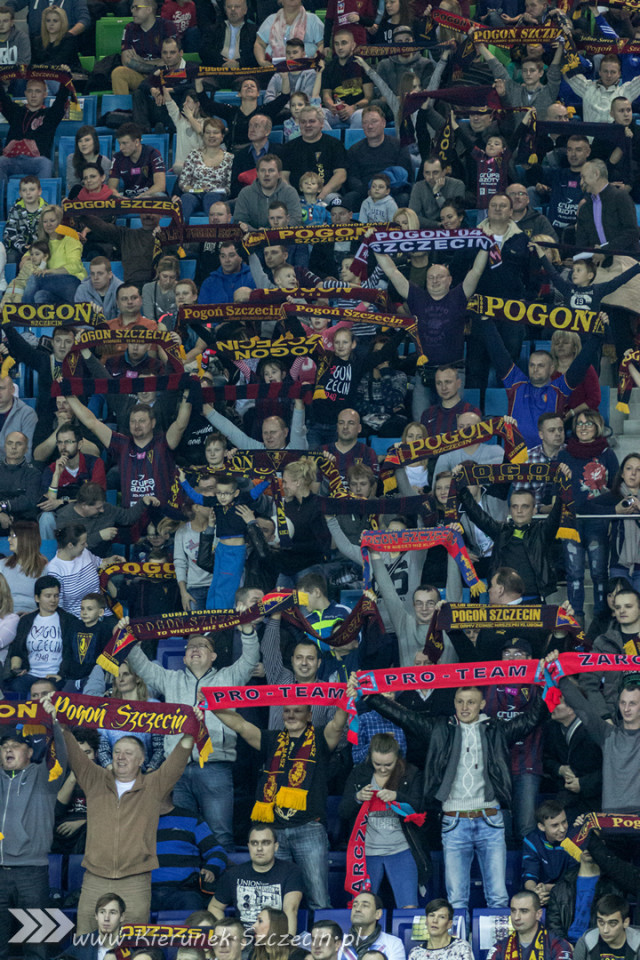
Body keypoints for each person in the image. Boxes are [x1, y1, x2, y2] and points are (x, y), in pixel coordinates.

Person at [362, 683, 546, 920]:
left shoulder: (496, 730)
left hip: (490, 819)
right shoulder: (440, 728)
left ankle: (500, 952)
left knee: (498, 896)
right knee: (457, 898)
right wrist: (368, 694)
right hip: (454, 822)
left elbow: (532, 720)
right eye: (460, 701)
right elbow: (403, 716)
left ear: (482, 705)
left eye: (471, 702)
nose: (464, 706)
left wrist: (547, 684)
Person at [51, 695, 197, 933]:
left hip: (136, 881)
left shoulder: (153, 785)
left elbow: (177, 761)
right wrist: (62, 725)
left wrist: (191, 731)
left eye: (129, 753)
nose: (121, 756)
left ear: (141, 760)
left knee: (133, 945)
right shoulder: (95, 778)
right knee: (86, 942)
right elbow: (76, 756)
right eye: (117, 751)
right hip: (95, 879)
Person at [126, 614, 260, 850]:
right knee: (183, 835)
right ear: (185, 657)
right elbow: (142, 666)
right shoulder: (170, 679)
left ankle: (219, 885)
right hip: (176, 769)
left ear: (214, 656)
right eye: (190, 646)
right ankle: (189, 885)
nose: (195, 649)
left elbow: (250, 659)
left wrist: (247, 630)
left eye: (202, 646)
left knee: (221, 837)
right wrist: (128, 638)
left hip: (215, 767)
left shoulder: (228, 677)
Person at [211, 696, 349, 910]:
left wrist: (346, 697)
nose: (291, 715)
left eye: (297, 711)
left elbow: (339, 722)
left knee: (319, 901)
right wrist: (212, 704)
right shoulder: (272, 739)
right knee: (274, 903)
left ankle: (321, 943)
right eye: (287, 711)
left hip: (309, 829)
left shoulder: (321, 737)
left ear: (309, 715)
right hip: (274, 833)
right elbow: (240, 724)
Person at [372, 244, 488, 417]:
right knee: (420, 425)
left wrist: (486, 245)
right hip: (424, 373)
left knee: (451, 425)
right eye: (431, 277)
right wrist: (376, 245)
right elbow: (392, 272)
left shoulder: (458, 296)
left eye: (440, 277)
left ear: (450, 280)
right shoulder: (417, 297)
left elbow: (476, 271)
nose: (435, 280)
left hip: (454, 372)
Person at [476, 319, 602, 449]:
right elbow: (498, 353)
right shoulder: (516, 383)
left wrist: (598, 333)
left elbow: (582, 362)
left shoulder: (559, 388)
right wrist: (486, 322)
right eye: (532, 365)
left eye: (541, 365)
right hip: (516, 458)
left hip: (548, 459)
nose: (535, 369)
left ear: (552, 368)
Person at [0, 718, 67, 960]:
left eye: (15, 745)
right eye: (4, 745)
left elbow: (62, 756)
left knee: (36, 945)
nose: (8, 749)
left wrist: (56, 723)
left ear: (29, 752)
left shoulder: (44, 778)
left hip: (32, 872)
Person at [545, 649, 640, 815]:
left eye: (632, 703)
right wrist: (558, 673)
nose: (626, 708)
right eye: (623, 703)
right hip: (611, 816)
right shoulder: (607, 734)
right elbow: (582, 706)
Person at [339, 732, 427, 908]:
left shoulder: (410, 773)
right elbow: (342, 811)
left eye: (389, 764)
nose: (383, 769)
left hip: (401, 849)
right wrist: (357, 797)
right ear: (369, 756)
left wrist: (397, 796)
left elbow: (421, 808)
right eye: (377, 763)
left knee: (409, 907)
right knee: (362, 908)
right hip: (366, 853)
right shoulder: (360, 773)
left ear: (397, 757)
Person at [455, 474, 570, 602]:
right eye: (515, 506)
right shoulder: (500, 531)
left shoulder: (542, 532)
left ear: (534, 510)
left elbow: (558, 511)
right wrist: (460, 483)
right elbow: (476, 514)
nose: (519, 510)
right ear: (510, 510)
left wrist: (564, 481)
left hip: (533, 602)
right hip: (503, 602)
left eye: (525, 506)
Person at [64, 393, 192, 508]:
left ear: (153, 423)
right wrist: (68, 394)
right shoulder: (122, 444)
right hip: (131, 518)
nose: (137, 425)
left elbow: (180, 424)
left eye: (142, 421)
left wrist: (187, 392)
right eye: (133, 421)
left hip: (161, 515)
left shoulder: (163, 442)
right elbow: (92, 422)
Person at [558, 410, 618, 620]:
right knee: (574, 574)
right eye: (579, 424)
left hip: (598, 522)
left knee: (599, 573)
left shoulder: (607, 454)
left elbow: (616, 489)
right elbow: (555, 487)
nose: (583, 427)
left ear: (597, 427)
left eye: (588, 423)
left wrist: (612, 518)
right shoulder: (564, 453)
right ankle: (577, 623)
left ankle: (600, 621)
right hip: (570, 521)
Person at [208, 823, 303, 933]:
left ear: (275, 846)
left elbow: (290, 909)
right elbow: (215, 906)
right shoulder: (234, 874)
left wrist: (287, 942)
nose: (259, 848)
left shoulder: (291, 871)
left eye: (265, 843)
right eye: (254, 843)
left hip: (275, 940)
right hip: (243, 944)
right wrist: (228, 935)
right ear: (249, 846)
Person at [7, 573, 80, 695]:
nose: (53, 600)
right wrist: (16, 670)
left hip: (56, 675)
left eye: (56, 596)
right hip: (31, 674)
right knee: (15, 687)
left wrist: (62, 674)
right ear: (37, 598)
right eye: (48, 596)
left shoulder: (69, 621)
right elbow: (17, 651)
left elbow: (73, 653)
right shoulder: (26, 621)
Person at [343, 105, 413, 211]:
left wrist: (384, 190)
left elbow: (404, 173)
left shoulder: (398, 146)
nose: (369, 126)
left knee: (404, 198)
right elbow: (353, 178)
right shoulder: (354, 150)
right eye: (365, 122)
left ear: (383, 123)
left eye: (374, 121)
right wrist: (369, 190)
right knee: (349, 199)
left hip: (392, 191)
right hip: (366, 192)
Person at [542, 694, 603, 817]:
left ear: (571, 708)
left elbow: (611, 768)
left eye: (556, 702)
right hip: (565, 797)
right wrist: (559, 769)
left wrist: (583, 784)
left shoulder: (595, 730)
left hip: (596, 800)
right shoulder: (551, 727)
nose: (550, 705)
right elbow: (545, 759)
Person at [0, 74, 69, 182]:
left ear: (45, 94)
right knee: (0, 162)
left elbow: (61, 100)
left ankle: (42, 198)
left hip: (36, 161)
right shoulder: (15, 111)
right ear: (25, 93)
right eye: (30, 91)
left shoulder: (50, 115)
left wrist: (65, 77)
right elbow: (2, 98)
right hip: (11, 160)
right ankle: (2, 198)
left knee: (46, 164)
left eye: (38, 91)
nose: (33, 95)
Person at [587, 454, 640, 591]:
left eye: (638, 470)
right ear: (622, 473)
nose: (633, 473)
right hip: (619, 564)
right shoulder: (613, 496)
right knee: (620, 607)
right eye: (629, 468)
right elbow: (585, 508)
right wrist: (615, 510)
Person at [546, 848, 621, 945]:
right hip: (567, 947)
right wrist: (565, 947)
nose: (587, 848)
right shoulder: (561, 887)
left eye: (591, 843)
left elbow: (615, 923)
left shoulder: (612, 886)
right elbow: (553, 925)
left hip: (599, 946)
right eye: (583, 842)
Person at [21, 205, 87, 306]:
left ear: (59, 221)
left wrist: (50, 271)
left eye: (52, 220)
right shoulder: (40, 243)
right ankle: (44, 321)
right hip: (51, 287)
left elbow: (75, 266)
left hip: (73, 283)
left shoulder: (71, 241)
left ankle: (23, 314)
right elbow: (24, 262)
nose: (48, 224)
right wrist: (30, 262)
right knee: (40, 295)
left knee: (35, 279)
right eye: (45, 221)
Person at [111, 0, 177, 95]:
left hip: (163, 78)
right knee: (118, 73)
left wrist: (141, 61)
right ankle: (122, 110)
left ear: (149, 9)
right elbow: (126, 62)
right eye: (132, 7)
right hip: (141, 77)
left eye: (136, 7)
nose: (132, 11)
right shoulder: (129, 28)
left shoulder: (167, 26)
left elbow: (170, 62)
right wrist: (157, 63)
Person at [281, 104, 348, 198]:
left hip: (327, 195)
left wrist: (323, 193)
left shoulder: (334, 144)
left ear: (321, 123)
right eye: (303, 122)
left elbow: (341, 174)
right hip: (297, 197)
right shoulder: (288, 147)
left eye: (312, 121)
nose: (307, 125)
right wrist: (292, 196)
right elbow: (283, 176)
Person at [575, 159, 640, 253]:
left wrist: (606, 251)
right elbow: (581, 243)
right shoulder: (585, 208)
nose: (581, 183)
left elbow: (632, 232)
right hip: (596, 262)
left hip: (625, 258)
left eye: (583, 177)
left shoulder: (621, 197)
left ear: (596, 174)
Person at [487, 890, 573, 960]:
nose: (516, 917)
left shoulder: (558, 945)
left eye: (524, 911)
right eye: (513, 911)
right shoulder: (499, 948)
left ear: (538, 914)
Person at [178, 118, 234, 220]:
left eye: (215, 132)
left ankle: (213, 232)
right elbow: (183, 183)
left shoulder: (230, 158)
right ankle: (179, 231)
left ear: (222, 136)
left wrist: (211, 190)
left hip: (217, 195)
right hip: (194, 193)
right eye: (208, 132)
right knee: (186, 198)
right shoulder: (193, 155)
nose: (211, 136)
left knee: (210, 197)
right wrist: (197, 190)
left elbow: (229, 187)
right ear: (203, 135)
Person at [235, 154, 303, 231]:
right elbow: (240, 221)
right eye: (263, 170)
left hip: (283, 238)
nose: (266, 174)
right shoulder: (245, 193)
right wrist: (259, 233)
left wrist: (271, 233)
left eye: (271, 170)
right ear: (257, 173)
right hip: (252, 238)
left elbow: (296, 220)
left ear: (279, 174)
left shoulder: (290, 192)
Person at [522, 800, 572, 905]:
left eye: (564, 822)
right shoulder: (532, 841)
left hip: (569, 896)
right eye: (555, 825)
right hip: (542, 894)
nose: (562, 829)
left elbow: (576, 880)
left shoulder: (574, 839)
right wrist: (535, 893)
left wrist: (550, 889)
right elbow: (530, 875)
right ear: (541, 827)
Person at [565, 54, 640, 124]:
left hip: (615, 137)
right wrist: (561, 48)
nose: (609, 75)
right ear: (600, 72)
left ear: (619, 74)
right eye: (605, 71)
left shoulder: (626, 91)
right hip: (590, 137)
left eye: (613, 72)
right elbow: (568, 72)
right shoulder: (587, 88)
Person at [321, 28, 372, 128]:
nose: (340, 47)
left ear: (353, 45)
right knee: (317, 114)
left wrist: (353, 107)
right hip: (335, 112)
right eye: (336, 44)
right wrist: (332, 106)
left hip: (356, 110)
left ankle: (352, 143)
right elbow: (326, 95)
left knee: (360, 116)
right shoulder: (329, 68)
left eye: (344, 43)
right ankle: (331, 142)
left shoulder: (362, 65)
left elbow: (368, 97)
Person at [337, 892, 407, 960]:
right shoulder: (338, 942)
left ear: (378, 914)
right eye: (354, 905)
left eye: (365, 906)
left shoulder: (393, 943)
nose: (357, 909)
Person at [253, 0, 324, 64]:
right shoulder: (270, 20)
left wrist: (316, 59)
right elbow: (259, 44)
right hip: (274, 71)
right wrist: (262, 62)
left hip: (308, 71)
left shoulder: (313, 20)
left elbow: (322, 43)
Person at [109, 122, 167, 198]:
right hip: (129, 198)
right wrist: (118, 196)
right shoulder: (117, 157)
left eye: (124, 143)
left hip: (150, 196)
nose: (121, 148)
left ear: (136, 142)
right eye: (119, 143)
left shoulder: (152, 154)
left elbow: (160, 186)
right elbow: (111, 188)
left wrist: (142, 196)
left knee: (159, 195)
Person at [573, 894, 640, 960]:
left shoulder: (638, 943)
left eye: (612, 924)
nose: (605, 930)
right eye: (601, 922)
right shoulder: (585, 942)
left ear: (625, 922)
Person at [0, 521, 47, 613]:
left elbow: (49, 602)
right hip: (6, 615)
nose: (9, 539)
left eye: (13, 536)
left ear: (26, 539)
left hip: (33, 618)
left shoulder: (44, 569)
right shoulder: (2, 565)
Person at [409, 156, 466, 230]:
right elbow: (412, 217)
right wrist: (437, 225)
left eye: (435, 172)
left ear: (444, 172)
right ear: (423, 174)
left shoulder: (458, 185)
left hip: (453, 229)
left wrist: (437, 193)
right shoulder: (418, 187)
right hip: (428, 230)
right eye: (427, 173)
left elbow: (456, 214)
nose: (431, 177)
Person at [198, 0, 257, 68]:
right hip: (216, 70)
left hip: (244, 72)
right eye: (229, 7)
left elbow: (256, 55)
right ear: (225, 10)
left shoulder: (254, 31)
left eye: (237, 7)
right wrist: (224, 63)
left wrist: (239, 63)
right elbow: (204, 51)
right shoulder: (213, 29)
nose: (233, 9)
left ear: (245, 10)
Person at [408, 899, 473, 960]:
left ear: (449, 924)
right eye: (431, 915)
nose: (435, 920)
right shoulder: (415, 953)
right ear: (426, 921)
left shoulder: (462, 947)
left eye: (442, 917)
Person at [0, 430, 42, 523]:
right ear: (5, 447)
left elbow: (30, 500)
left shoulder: (33, 473)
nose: (13, 447)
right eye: (9, 443)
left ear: (26, 449)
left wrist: (3, 506)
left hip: (24, 520)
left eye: (18, 444)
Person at [3, 175, 46, 263]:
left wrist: (37, 247)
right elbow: (9, 234)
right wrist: (22, 246)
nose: (28, 193)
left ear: (39, 191)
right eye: (24, 190)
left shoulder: (46, 210)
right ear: (20, 193)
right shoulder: (15, 209)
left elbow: (49, 233)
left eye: (32, 189)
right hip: (19, 248)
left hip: (41, 248)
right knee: (11, 257)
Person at [74, 255, 123, 322]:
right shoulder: (82, 290)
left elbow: (124, 320)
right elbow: (79, 321)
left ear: (110, 275)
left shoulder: (121, 290)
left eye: (100, 273)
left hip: (115, 331)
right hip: (90, 331)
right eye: (92, 274)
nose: (95, 278)